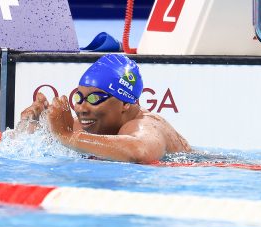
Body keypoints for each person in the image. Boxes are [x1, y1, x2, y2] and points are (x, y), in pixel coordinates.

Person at [20, 54, 191, 164]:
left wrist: (67, 136)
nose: (81, 108)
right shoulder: (91, 126)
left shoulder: (146, 125)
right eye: (79, 97)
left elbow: (139, 152)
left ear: (125, 103)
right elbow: (26, 148)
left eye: (94, 99)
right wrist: (32, 124)